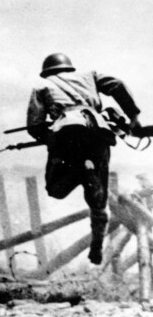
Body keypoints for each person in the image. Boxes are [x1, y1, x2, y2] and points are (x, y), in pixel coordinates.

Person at [27, 53, 141, 265]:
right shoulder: (90, 75)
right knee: (98, 201)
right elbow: (117, 85)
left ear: (47, 71)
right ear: (69, 68)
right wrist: (133, 117)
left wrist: (48, 138)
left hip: (66, 136)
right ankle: (96, 244)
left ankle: (79, 171)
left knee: (55, 189)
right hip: (99, 134)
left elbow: (35, 126)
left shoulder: (41, 86)